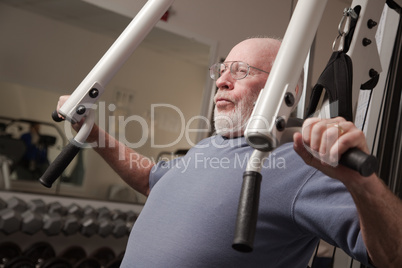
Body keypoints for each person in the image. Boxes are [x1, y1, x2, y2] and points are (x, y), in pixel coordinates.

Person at [57, 38, 402, 267]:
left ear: (286, 91)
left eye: (241, 71)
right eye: (222, 70)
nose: (222, 80)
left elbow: (393, 256)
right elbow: (151, 179)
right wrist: (93, 132)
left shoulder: (304, 164)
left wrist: (363, 184)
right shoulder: (208, 147)